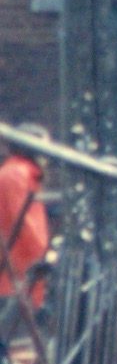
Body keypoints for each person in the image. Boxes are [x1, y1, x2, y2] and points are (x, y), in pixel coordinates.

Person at [0, 126, 51, 337]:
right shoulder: (16, 176)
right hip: (14, 279)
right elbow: (26, 227)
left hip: (18, 276)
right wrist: (46, 260)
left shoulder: (22, 175)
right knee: (17, 346)